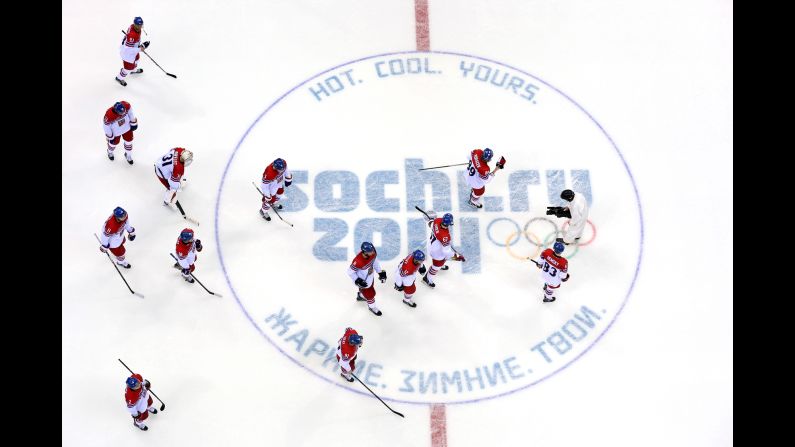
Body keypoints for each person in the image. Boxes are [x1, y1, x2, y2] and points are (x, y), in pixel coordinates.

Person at [422, 212, 465, 288]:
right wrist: (456, 257)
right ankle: (427, 279)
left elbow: (430, 224)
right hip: (437, 252)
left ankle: (440, 265)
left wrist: (431, 221)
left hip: (431, 245)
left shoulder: (437, 220)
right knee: (436, 266)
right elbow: (446, 252)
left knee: (443, 259)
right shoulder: (445, 236)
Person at [346, 242, 386, 316]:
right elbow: (349, 272)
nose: (373, 252)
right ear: (365, 252)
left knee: (370, 288)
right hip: (364, 281)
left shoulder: (373, 254)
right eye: (371, 251)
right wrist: (357, 280)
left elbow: (375, 262)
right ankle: (372, 307)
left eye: (373, 250)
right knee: (371, 295)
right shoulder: (358, 261)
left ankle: (361, 296)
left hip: (370, 277)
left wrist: (380, 272)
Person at [116, 17, 150, 86]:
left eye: (141, 25)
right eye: (138, 25)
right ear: (134, 24)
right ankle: (119, 77)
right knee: (128, 68)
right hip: (127, 54)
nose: (140, 27)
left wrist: (138, 45)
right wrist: (141, 48)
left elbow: (134, 41)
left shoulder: (135, 28)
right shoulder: (132, 35)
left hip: (134, 48)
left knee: (137, 58)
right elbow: (128, 50)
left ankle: (133, 70)